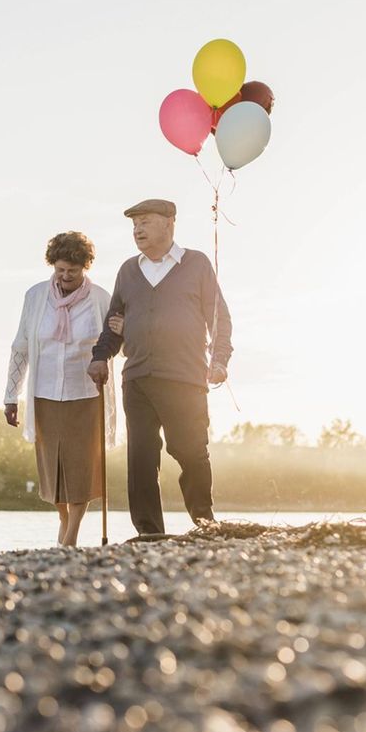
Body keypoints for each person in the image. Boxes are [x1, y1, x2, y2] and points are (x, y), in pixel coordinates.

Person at [87, 199, 233, 538]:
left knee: (191, 451)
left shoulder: (195, 264)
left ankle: (204, 522)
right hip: (137, 377)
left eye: (145, 222)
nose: (137, 229)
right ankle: (148, 532)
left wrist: (220, 359)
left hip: (184, 377)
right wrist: (100, 355)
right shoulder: (128, 270)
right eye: (134, 224)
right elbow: (113, 323)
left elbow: (219, 317)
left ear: (169, 224)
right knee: (140, 457)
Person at [5, 231, 117, 547]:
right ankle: (64, 517)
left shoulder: (101, 300)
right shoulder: (35, 297)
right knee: (52, 466)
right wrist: (10, 395)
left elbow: (112, 346)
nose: (66, 277)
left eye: (73, 271)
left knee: (82, 467)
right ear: (52, 266)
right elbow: (21, 347)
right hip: (45, 392)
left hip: (86, 393)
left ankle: (71, 536)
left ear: (86, 268)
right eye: (60, 270)